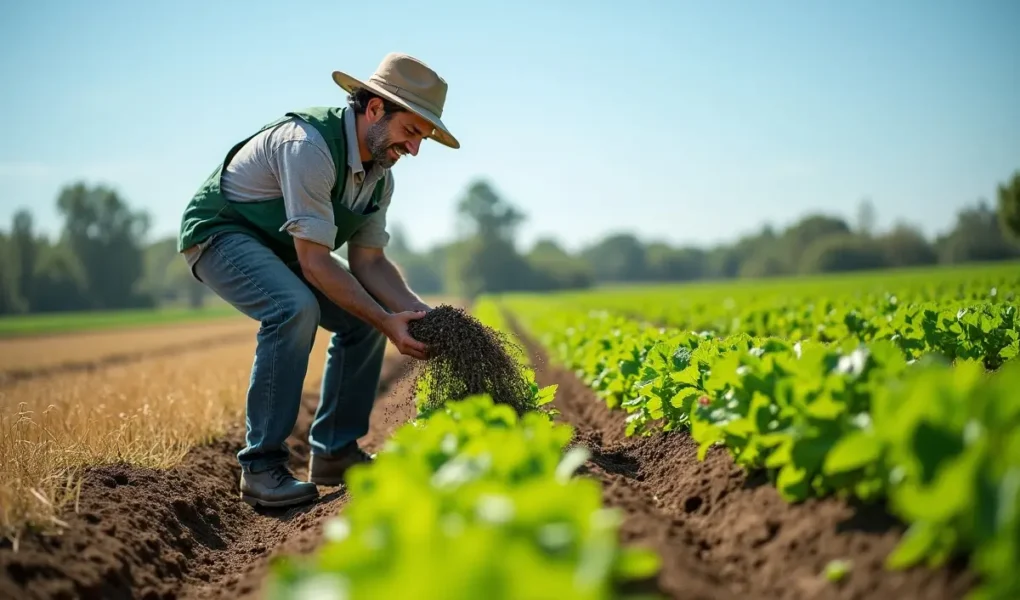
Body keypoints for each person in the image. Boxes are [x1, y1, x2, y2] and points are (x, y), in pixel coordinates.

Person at [177, 52, 459, 508]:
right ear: (374, 109)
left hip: (286, 248)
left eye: (422, 138)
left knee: (363, 318)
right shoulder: (308, 146)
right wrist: (387, 321)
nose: (414, 149)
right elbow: (314, 263)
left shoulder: (379, 179)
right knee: (293, 308)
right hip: (222, 233)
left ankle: (334, 453)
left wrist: (425, 317)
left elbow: (371, 264)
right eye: (411, 131)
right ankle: (260, 467)